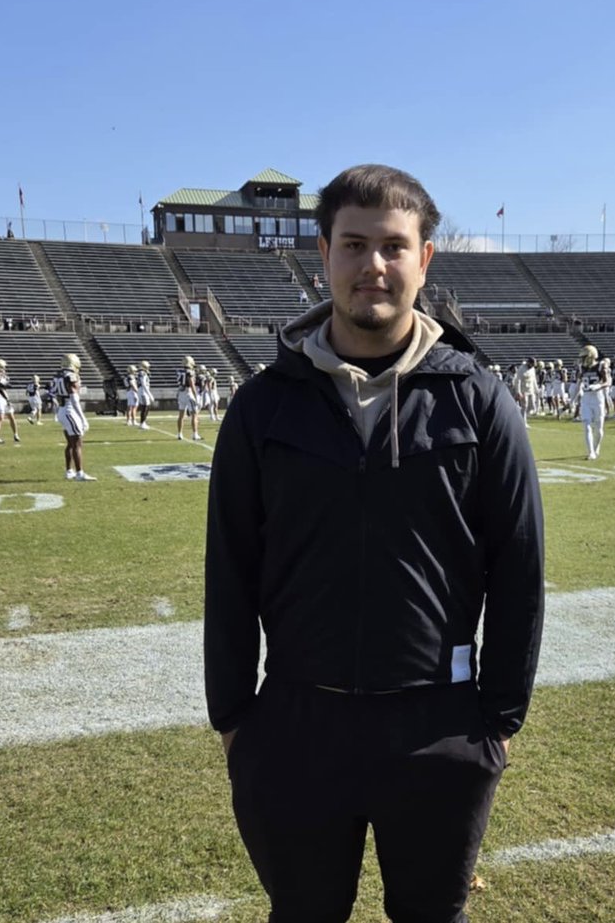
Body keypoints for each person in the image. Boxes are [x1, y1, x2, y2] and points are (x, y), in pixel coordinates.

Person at [204, 164, 545, 923]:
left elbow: (519, 569)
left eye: (394, 245)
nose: (374, 265)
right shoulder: (262, 407)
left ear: (425, 259)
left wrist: (496, 723)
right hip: (296, 725)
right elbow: (230, 569)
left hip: (438, 725)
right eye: (354, 244)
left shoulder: (479, 401)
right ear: (322, 251)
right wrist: (235, 720)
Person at [52, 352, 94, 480]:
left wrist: (57, 411)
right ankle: (80, 473)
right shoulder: (72, 376)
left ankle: (69, 471)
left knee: (70, 443)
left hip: (62, 410)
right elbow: (74, 399)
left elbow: (52, 393)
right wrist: (83, 418)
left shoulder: (57, 376)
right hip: (70, 410)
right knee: (77, 443)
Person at [578, 344, 610, 458]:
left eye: (584, 356)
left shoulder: (601, 366)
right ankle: (590, 452)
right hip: (586, 398)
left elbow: (607, 382)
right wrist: (570, 403)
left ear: (590, 356)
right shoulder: (582, 367)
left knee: (599, 429)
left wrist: (598, 386)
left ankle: (596, 448)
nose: (582, 359)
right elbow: (578, 385)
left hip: (597, 398)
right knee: (586, 425)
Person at [0, 358, 21, 444]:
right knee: (0, 417)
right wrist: (6, 397)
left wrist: (7, 397)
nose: (4, 368)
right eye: (3, 366)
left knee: (11, 417)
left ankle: (16, 435)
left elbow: (6, 384)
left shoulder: (4, 375)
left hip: (5, 397)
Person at [176, 355, 203, 442]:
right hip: (188, 393)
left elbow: (180, 384)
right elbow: (192, 384)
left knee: (181, 415)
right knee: (194, 414)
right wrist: (196, 396)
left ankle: (180, 433)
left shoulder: (179, 371)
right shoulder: (190, 372)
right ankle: (195, 434)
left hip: (181, 393)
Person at [137, 359, 153, 429]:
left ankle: (143, 422)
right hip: (143, 391)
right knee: (145, 407)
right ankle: (142, 423)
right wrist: (149, 394)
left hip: (144, 390)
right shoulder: (142, 373)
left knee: (147, 407)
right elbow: (143, 384)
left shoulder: (143, 373)